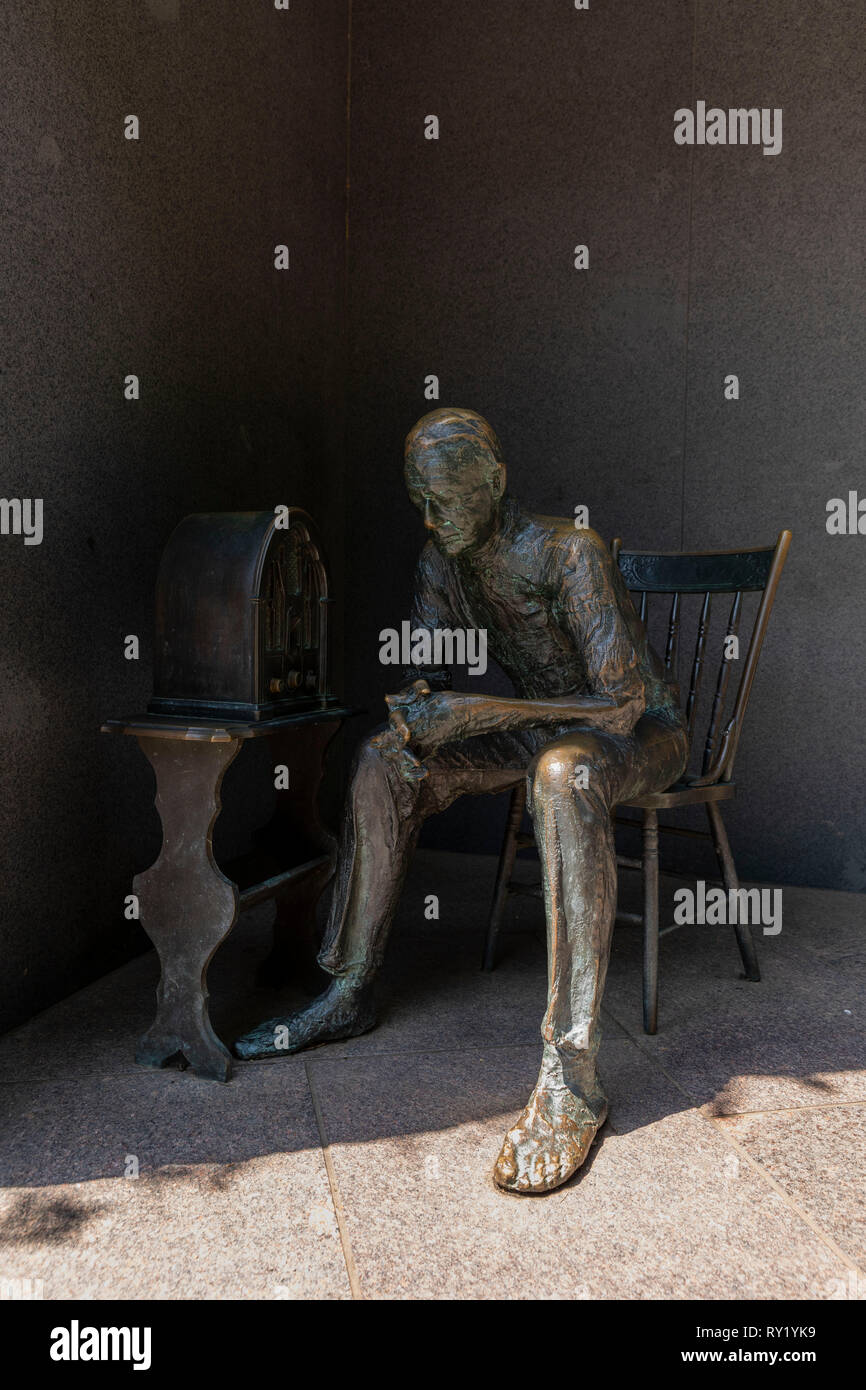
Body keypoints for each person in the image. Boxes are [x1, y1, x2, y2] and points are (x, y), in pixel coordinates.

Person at [235, 408, 688, 1194]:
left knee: (564, 775)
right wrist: (422, 698)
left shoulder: (567, 553)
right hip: (545, 728)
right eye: (418, 499)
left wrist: (477, 714)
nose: (430, 516)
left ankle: (572, 1076)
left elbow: (620, 705)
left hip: (641, 734)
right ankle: (349, 988)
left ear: (496, 481)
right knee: (386, 756)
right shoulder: (440, 563)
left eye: (444, 498)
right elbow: (436, 673)